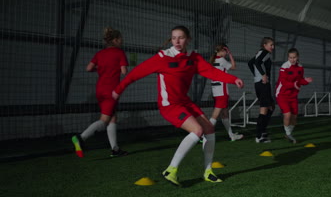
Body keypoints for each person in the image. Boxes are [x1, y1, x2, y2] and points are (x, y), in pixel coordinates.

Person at [111, 26, 243, 186]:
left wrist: (232, 79)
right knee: (197, 130)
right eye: (174, 38)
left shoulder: (193, 58)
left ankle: (208, 171)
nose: (177, 41)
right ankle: (171, 170)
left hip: (185, 102)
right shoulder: (163, 57)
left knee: (209, 129)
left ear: (188, 39)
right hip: (169, 106)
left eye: (181, 37)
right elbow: (135, 73)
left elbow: (210, 71)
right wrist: (118, 90)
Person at [71, 27, 129, 158]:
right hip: (111, 91)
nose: (122, 41)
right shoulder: (119, 52)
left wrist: (102, 68)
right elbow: (124, 71)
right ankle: (81, 138)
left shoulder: (100, 54)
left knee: (112, 118)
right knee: (104, 120)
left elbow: (88, 68)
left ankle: (115, 149)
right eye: (120, 39)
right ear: (115, 40)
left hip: (100, 90)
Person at [275, 48, 312, 144]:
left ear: (297, 57)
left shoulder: (300, 67)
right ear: (288, 57)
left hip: (293, 96)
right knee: (287, 115)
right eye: (290, 57)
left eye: (294, 57)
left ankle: (288, 134)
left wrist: (306, 81)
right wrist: (294, 85)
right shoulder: (284, 67)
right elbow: (284, 82)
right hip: (282, 95)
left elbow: (300, 80)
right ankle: (288, 134)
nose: (292, 59)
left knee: (294, 118)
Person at [209, 44, 243, 141]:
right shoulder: (222, 60)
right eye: (225, 51)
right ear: (223, 51)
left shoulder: (213, 60)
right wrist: (230, 55)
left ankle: (231, 135)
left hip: (215, 91)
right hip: (221, 91)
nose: (226, 53)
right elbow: (233, 67)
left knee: (225, 113)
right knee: (215, 115)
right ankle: (204, 135)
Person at [248, 37, 275, 143]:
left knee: (271, 107)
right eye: (271, 45)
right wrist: (262, 75)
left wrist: (256, 75)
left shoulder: (261, 52)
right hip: (262, 84)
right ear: (264, 45)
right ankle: (259, 136)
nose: (273, 47)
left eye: (273, 45)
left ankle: (262, 130)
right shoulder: (265, 52)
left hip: (260, 83)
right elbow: (257, 62)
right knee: (264, 109)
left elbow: (251, 63)